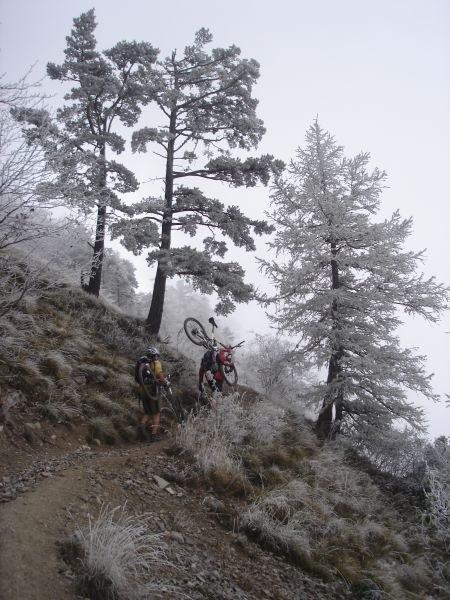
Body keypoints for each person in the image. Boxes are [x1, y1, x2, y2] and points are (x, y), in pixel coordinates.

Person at [135, 346, 168, 441]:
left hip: (142, 390)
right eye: (156, 356)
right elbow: (159, 375)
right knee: (156, 413)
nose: (157, 358)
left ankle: (141, 425)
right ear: (154, 355)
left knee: (148, 411)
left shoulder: (142, 362)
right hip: (152, 390)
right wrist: (165, 382)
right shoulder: (155, 362)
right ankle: (154, 435)